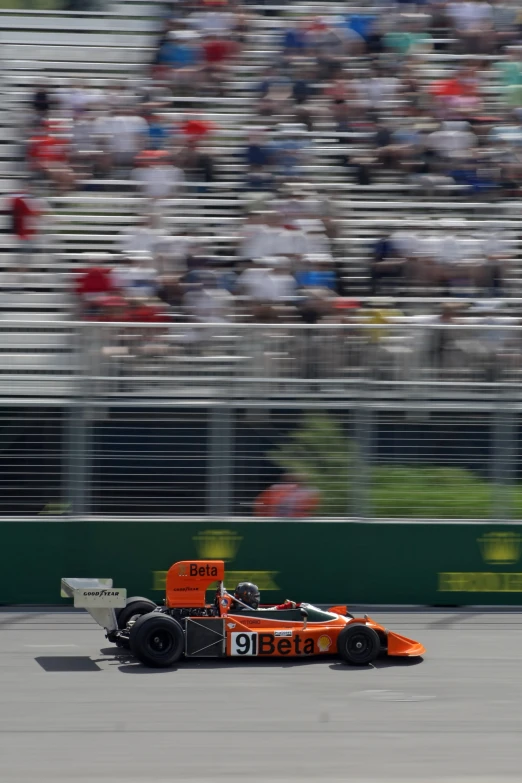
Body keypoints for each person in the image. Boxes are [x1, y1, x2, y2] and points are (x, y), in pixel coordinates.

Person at [232, 582, 301, 611]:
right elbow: (264, 613)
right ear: (247, 597)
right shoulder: (244, 611)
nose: (256, 599)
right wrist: (284, 607)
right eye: (255, 596)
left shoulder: (240, 607)